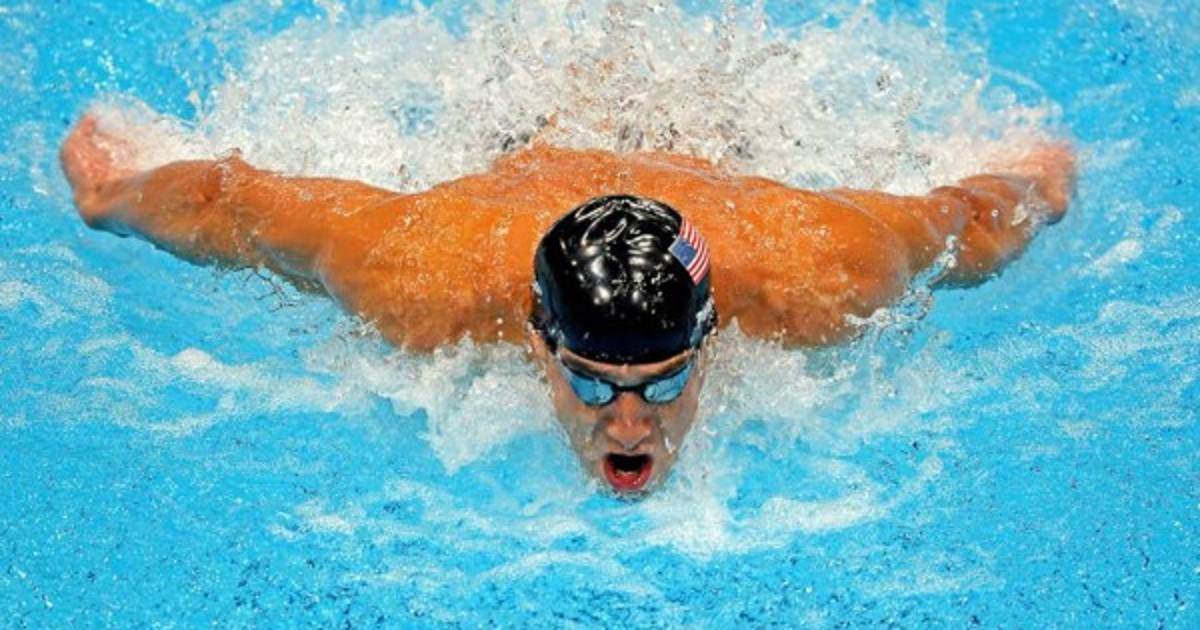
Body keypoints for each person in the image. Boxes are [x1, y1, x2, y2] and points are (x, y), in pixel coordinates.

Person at [60, 112, 1075, 496]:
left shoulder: (818, 276)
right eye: (593, 384)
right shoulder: (422, 281)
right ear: (538, 340)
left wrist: (1038, 182)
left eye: (663, 381)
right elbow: (233, 204)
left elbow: (963, 222)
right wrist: (115, 196)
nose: (628, 425)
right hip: (518, 151)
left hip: (714, 151)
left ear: (712, 335)